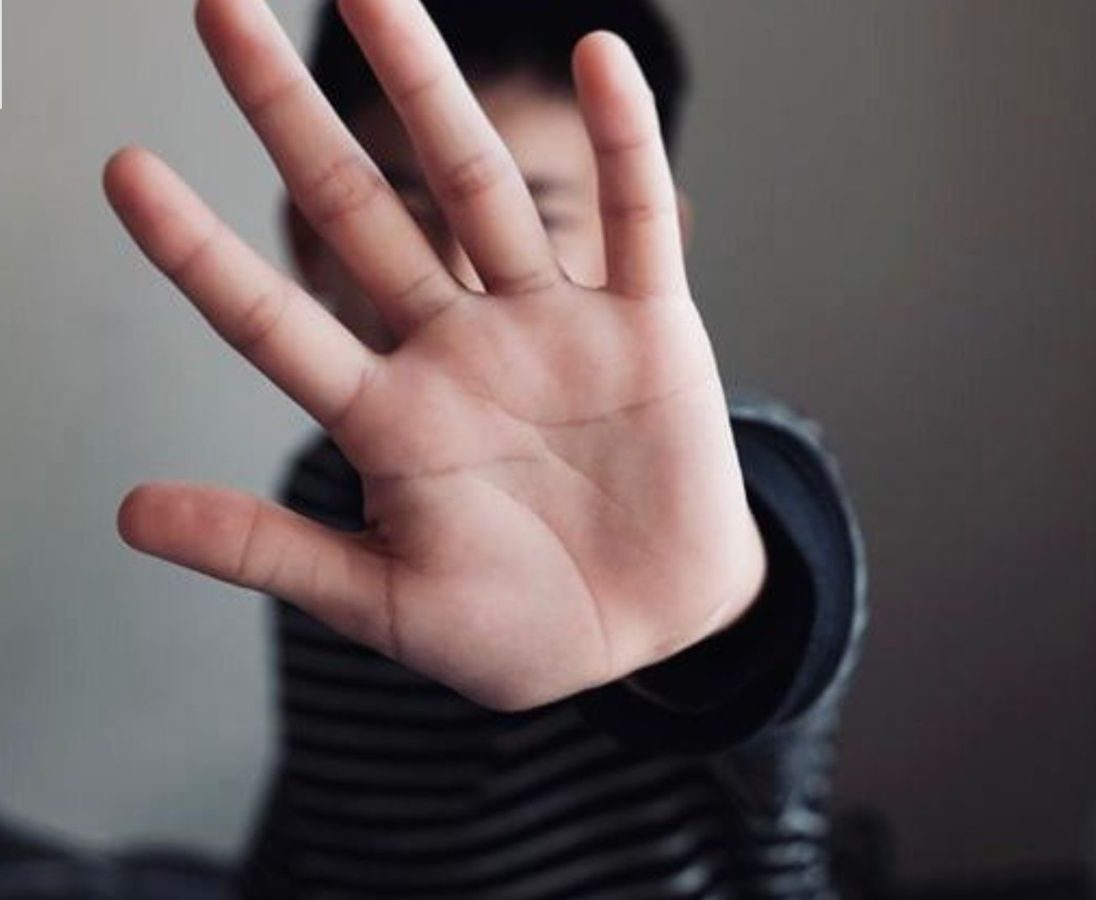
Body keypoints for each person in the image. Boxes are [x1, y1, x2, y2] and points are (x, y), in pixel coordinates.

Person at [35, 0, 865, 897]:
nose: (462, 276)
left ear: (654, 238)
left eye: (541, 220)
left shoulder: (723, 469)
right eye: (403, 212)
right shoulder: (322, 492)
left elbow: (780, 593)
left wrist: (711, 611)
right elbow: (330, 818)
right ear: (312, 243)